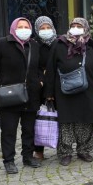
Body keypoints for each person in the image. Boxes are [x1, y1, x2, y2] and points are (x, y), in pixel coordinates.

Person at [0, 17, 43, 174]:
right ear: (13, 28)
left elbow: (39, 68)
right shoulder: (2, 44)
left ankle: (28, 157)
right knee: (9, 130)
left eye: (26, 26)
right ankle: (9, 160)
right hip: (10, 95)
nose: (23, 29)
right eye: (20, 26)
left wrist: (40, 82)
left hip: (31, 95)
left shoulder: (34, 45)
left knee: (29, 129)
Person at [43, 17, 93, 165]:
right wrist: (49, 93)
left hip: (88, 90)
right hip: (64, 90)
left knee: (87, 120)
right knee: (66, 121)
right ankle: (65, 152)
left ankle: (84, 149)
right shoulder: (59, 43)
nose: (75, 28)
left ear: (86, 28)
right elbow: (50, 69)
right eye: (73, 25)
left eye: (79, 25)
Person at [32, 16, 57, 161]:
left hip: (57, 84)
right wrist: (41, 78)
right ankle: (38, 149)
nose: (46, 31)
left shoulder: (59, 42)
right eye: (42, 28)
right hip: (40, 85)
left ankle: (61, 146)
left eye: (48, 28)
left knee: (58, 115)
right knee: (39, 118)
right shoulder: (34, 45)